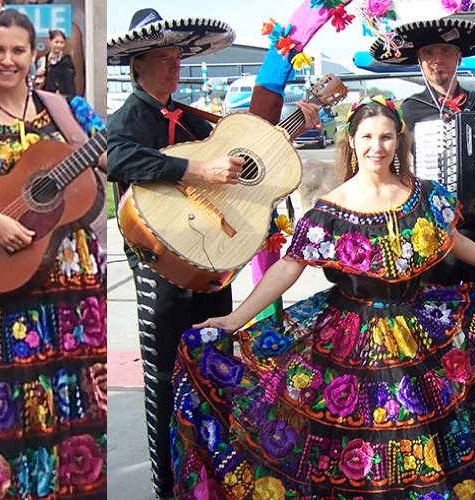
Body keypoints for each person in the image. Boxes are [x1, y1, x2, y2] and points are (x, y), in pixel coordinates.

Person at [173, 96, 475, 499]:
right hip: (351, 337)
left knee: (416, 430)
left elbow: (453, 243)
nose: (376, 147)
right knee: (362, 439)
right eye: (367, 136)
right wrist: (233, 319)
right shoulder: (330, 209)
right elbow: (288, 267)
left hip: (417, 329)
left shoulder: (426, 195)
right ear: (351, 139)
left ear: (400, 141)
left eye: (385, 137)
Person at [106, 9, 315, 498]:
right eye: (162, 58)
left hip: (211, 260)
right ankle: (168, 486)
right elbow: (118, 158)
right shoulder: (128, 117)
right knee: (163, 377)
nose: (173, 66)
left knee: (213, 362)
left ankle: (214, 475)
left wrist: (294, 125)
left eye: (177, 57)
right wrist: (196, 169)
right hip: (160, 262)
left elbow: (243, 156)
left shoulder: (193, 114)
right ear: (136, 65)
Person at [0, 9, 107, 499]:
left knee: (70, 394)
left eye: (18, 51)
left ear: (35, 56)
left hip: (71, 283)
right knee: (5, 400)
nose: (7, 60)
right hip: (1, 279)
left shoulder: (70, 113)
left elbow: (117, 161)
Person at [368, 19, 475, 286]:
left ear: (459, 58)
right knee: (438, 309)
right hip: (435, 227)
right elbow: (397, 167)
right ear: (419, 62)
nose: (436, 60)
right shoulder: (410, 109)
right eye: (428, 53)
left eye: (445, 51)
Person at [42, 29, 76, 95]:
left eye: (62, 42)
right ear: (50, 42)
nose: (59, 45)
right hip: (46, 96)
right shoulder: (44, 59)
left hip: (61, 96)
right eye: (56, 42)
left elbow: (69, 82)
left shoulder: (66, 60)